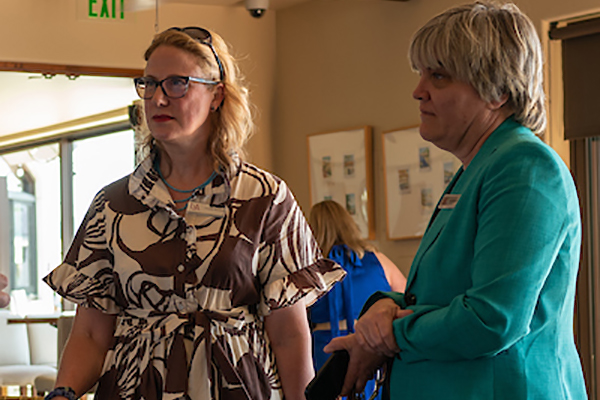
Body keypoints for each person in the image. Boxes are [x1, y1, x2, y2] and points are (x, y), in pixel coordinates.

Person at [43, 27, 345, 400]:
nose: (157, 98)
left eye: (176, 83)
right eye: (149, 84)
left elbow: (289, 334)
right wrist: (63, 392)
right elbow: (90, 333)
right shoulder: (112, 204)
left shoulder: (265, 198)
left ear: (216, 94)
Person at [325, 2, 588, 399]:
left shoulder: (525, 167)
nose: (418, 91)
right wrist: (384, 306)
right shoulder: (481, 166)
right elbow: (447, 293)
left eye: (439, 76)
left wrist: (388, 334)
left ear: (497, 91)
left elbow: (491, 318)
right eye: (421, 74)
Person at [307, 200, 406, 399]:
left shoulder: (306, 268)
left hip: (326, 350)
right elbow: (407, 298)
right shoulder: (379, 260)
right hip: (372, 345)